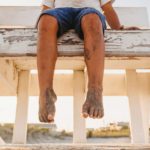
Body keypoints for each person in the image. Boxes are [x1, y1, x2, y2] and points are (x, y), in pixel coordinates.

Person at [37, 0, 139, 123]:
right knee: (46, 19)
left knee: (92, 19)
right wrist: (41, 29)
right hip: (59, 13)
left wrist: (118, 28)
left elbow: (106, 7)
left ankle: (95, 90)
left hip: (89, 11)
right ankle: (45, 93)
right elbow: (46, 8)